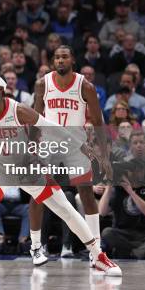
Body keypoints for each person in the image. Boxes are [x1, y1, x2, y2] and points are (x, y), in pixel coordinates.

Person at [0, 72, 121, 276]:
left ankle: (98, 256)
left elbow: (50, 128)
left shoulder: (18, 109)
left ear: (1, 90)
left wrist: (81, 147)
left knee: (66, 210)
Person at [28, 45, 114, 266]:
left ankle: (97, 251)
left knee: (86, 194)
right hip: (49, 143)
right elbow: (36, 117)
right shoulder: (42, 83)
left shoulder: (85, 86)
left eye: (64, 57)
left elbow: (97, 121)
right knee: (38, 192)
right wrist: (31, 148)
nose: (60, 61)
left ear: (72, 60)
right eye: (56, 57)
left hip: (76, 144)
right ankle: (36, 247)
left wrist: (103, 155)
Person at [99, 159, 145, 259]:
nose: (137, 173)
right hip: (123, 234)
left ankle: (134, 252)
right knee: (107, 233)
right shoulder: (117, 191)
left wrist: (130, 191)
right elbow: (102, 212)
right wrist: (109, 186)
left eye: (140, 170)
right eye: (134, 170)